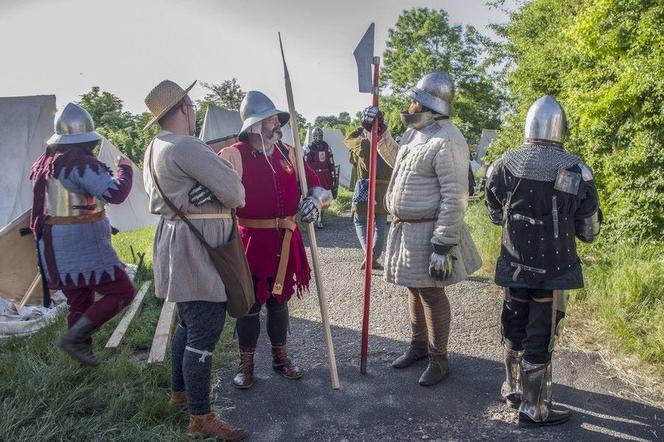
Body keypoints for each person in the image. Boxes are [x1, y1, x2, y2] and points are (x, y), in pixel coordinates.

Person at [484, 95, 601, 427]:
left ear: (529, 125)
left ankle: (513, 388)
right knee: (541, 332)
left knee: (513, 321)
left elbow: (493, 213)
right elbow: (588, 229)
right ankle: (533, 408)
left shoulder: (504, 163)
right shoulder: (575, 169)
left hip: (515, 262)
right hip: (554, 266)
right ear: (559, 128)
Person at [142, 80, 247, 441]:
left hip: (177, 240)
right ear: (185, 106)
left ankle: (180, 394)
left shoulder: (155, 145)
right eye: (192, 103)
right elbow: (236, 193)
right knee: (204, 329)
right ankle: (200, 417)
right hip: (195, 246)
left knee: (188, 325)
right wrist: (225, 178)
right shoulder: (185, 145)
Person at [362, 72, 482, 386]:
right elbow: (397, 160)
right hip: (408, 230)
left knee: (431, 293)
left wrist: (442, 246)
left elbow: (455, 198)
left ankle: (438, 359)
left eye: (415, 99)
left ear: (428, 103)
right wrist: (381, 133)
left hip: (431, 231)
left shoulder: (448, 139)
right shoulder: (418, 133)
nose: (410, 103)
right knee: (414, 288)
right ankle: (417, 347)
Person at [219, 91, 331, 390]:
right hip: (251, 242)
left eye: (276, 119)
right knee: (250, 305)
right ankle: (246, 364)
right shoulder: (233, 155)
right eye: (269, 119)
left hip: (285, 240)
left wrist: (315, 202)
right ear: (254, 125)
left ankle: (280, 358)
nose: (276, 124)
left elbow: (320, 188)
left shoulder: (289, 153)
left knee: (280, 303)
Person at [30, 103, 135, 367]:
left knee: (79, 298)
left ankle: (81, 359)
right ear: (87, 138)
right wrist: (125, 169)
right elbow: (115, 194)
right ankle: (75, 339)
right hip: (81, 245)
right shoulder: (78, 163)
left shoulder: (46, 162)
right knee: (122, 291)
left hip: (54, 243)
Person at [345, 125, 393, 270]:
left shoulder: (364, 144)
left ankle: (369, 255)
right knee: (380, 225)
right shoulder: (390, 147)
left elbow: (348, 140)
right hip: (384, 191)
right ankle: (373, 258)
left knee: (360, 221)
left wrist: (361, 128)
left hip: (365, 188)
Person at [304, 127, 337, 229]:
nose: (318, 137)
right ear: (313, 136)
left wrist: (333, 175)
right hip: (314, 176)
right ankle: (314, 218)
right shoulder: (309, 147)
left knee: (324, 197)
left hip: (325, 175)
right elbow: (305, 163)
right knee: (314, 197)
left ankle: (320, 219)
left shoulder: (326, 146)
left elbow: (331, 161)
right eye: (316, 135)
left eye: (320, 135)